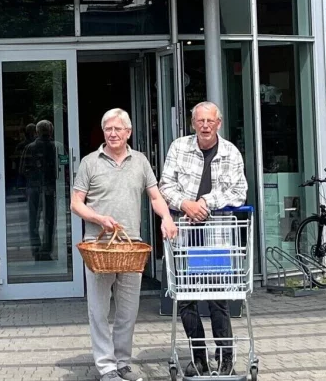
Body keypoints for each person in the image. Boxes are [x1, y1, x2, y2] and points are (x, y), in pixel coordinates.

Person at [72, 108, 178, 381]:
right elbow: (76, 204)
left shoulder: (140, 161)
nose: (113, 133)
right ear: (103, 132)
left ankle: (123, 363)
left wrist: (166, 217)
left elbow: (155, 196)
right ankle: (106, 367)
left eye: (118, 128)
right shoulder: (89, 162)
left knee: (128, 310)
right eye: (108, 128)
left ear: (128, 132)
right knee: (98, 310)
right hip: (98, 248)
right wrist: (97, 218)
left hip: (131, 246)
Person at [158, 101, 248, 377]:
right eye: (200, 121)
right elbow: (165, 185)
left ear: (218, 123)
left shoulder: (230, 152)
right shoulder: (179, 147)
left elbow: (239, 191)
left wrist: (205, 203)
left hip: (217, 235)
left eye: (210, 121)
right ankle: (198, 358)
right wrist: (186, 204)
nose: (205, 126)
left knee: (218, 298)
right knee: (185, 299)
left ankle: (226, 358)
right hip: (185, 235)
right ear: (193, 123)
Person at [20, 120, 60, 260]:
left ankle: (36, 251)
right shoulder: (57, 147)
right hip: (50, 187)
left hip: (34, 187)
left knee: (33, 220)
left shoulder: (29, 148)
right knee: (49, 219)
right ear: (51, 131)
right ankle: (46, 250)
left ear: (37, 132)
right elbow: (65, 165)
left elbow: (23, 169)